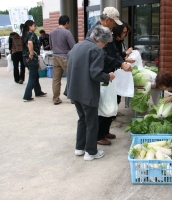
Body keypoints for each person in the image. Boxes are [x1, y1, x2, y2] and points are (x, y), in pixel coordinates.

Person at [67, 25, 115, 161]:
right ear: (100, 40)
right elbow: (96, 74)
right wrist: (108, 77)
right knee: (92, 122)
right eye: (105, 44)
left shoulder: (77, 46)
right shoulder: (96, 50)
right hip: (87, 92)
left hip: (74, 89)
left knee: (82, 119)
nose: (105, 46)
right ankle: (91, 152)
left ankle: (79, 148)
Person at [87, 7, 132, 145]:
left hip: (109, 72)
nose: (115, 26)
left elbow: (113, 51)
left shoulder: (107, 31)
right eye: (114, 23)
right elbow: (103, 55)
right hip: (101, 73)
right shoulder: (96, 32)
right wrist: (120, 63)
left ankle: (104, 130)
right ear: (108, 20)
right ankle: (99, 135)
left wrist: (121, 62)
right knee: (103, 105)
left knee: (110, 102)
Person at [49, 15, 76, 105]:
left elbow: (51, 45)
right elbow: (73, 47)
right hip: (65, 57)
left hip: (55, 57)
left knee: (56, 79)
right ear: (67, 23)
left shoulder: (52, 32)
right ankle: (73, 98)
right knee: (72, 78)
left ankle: (56, 99)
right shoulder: (67, 33)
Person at [112, 21, 135, 116]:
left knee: (117, 92)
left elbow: (119, 55)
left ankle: (115, 111)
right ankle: (112, 112)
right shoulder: (111, 41)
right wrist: (126, 55)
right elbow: (113, 56)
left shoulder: (120, 41)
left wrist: (126, 58)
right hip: (113, 69)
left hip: (118, 68)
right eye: (123, 32)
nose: (125, 34)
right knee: (113, 92)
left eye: (126, 32)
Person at [20, 20, 46, 102]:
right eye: (34, 26)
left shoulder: (24, 35)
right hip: (31, 58)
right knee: (32, 76)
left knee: (35, 75)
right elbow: (30, 43)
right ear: (30, 26)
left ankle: (38, 92)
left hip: (25, 58)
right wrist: (31, 54)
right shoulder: (31, 34)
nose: (35, 27)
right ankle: (27, 96)